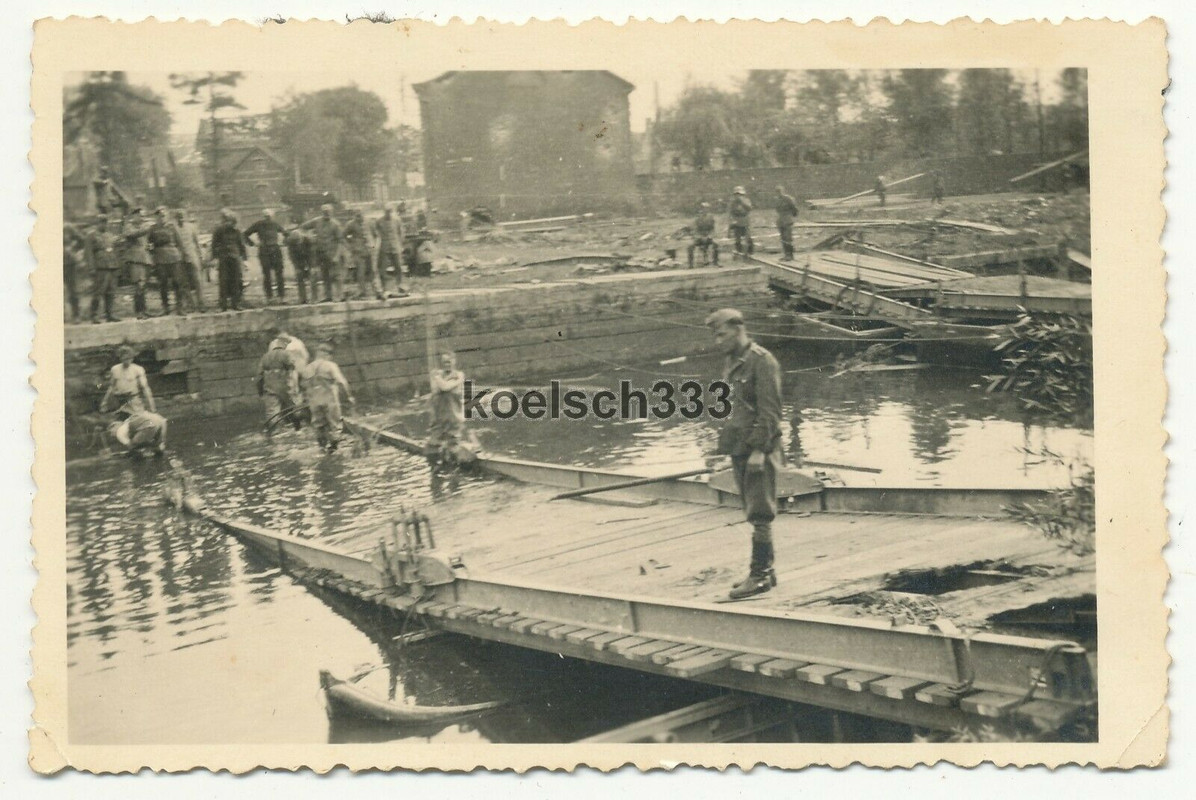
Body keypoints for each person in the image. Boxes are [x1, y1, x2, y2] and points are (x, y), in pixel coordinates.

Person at [705, 308, 784, 599]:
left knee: (760, 511)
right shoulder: (733, 361)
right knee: (752, 509)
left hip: (758, 448)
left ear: (739, 329)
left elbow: (770, 412)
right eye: (715, 336)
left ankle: (759, 576)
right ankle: (767, 572)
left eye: (722, 335)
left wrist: (760, 452)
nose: (718, 341)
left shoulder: (762, 361)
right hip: (740, 445)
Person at [301, 342, 355, 452]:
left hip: (314, 402)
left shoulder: (308, 368)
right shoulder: (330, 365)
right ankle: (333, 450)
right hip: (330, 400)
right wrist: (349, 396)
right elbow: (342, 382)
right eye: (330, 354)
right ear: (326, 354)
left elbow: (304, 386)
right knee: (335, 425)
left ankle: (322, 449)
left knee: (319, 426)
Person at [148, 206, 195, 315]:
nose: (161, 218)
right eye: (159, 216)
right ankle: (165, 308)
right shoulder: (153, 229)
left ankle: (180, 307)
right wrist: (152, 255)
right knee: (163, 284)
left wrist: (184, 256)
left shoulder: (172, 227)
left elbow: (180, 243)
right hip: (160, 259)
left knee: (177, 283)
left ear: (167, 216)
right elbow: (149, 243)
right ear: (156, 217)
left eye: (163, 215)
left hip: (174, 258)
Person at [257, 332, 302, 432]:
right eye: (286, 343)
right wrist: (296, 387)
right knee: (294, 408)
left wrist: (260, 391)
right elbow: (292, 371)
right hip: (286, 387)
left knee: (272, 412)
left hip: (270, 388)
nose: (286, 345)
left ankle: (271, 433)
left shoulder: (265, 356)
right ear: (283, 343)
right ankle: (298, 430)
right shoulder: (287, 354)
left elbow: (259, 376)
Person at [428, 351, 466, 461]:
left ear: (454, 361)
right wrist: (458, 382)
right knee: (433, 450)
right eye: (444, 362)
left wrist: (456, 381)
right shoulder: (437, 374)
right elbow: (444, 387)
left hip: (453, 418)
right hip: (439, 418)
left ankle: (454, 456)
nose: (447, 364)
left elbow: (445, 386)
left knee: (453, 448)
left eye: (449, 362)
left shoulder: (459, 374)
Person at [245, 208, 287, 303]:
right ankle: (270, 297)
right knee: (267, 274)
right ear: (264, 216)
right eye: (266, 216)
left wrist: (283, 242)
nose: (268, 218)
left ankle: (281, 297)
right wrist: (253, 243)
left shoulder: (275, 224)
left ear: (272, 216)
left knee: (279, 274)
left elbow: (286, 234)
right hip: (264, 251)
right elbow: (245, 234)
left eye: (269, 216)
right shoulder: (259, 224)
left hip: (275, 250)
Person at [305, 204, 345, 303]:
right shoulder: (316, 221)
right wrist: (309, 236)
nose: (326, 214)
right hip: (320, 253)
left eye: (328, 212)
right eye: (324, 212)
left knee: (336, 276)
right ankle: (328, 296)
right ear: (322, 212)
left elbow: (340, 241)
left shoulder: (336, 224)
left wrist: (337, 256)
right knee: (325, 275)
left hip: (332, 253)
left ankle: (339, 296)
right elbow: (303, 227)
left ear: (332, 212)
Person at [85, 214, 121, 323]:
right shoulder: (91, 235)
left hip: (111, 266)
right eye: (102, 222)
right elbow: (88, 253)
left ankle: (109, 314)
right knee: (98, 291)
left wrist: (116, 265)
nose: (104, 224)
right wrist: (91, 268)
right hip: (100, 267)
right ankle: (94, 315)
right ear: (97, 223)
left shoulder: (109, 235)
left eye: (105, 222)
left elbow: (114, 250)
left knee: (111, 291)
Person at [101, 345, 156, 416]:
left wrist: (152, 406)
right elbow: (111, 387)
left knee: (137, 418)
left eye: (128, 358)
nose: (126, 361)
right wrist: (105, 402)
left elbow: (145, 388)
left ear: (132, 358)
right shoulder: (115, 369)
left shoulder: (138, 369)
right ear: (120, 358)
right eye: (124, 358)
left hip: (133, 401)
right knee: (119, 419)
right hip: (119, 401)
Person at [211, 208, 247, 311]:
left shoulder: (237, 231)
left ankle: (236, 304)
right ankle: (223, 305)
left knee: (236, 280)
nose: (228, 223)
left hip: (235, 257)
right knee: (223, 281)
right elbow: (214, 244)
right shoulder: (219, 230)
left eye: (230, 221)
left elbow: (241, 244)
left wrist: (244, 259)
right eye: (226, 220)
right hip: (223, 257)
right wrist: (215, 257)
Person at [121, 210, 154, 318]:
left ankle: (144, 310)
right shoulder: (129, 226)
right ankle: (139, 311)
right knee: (138, 285)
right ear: (135, 216)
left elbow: (147, 241)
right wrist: (146, 229)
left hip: (145, 259)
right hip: (135, 259)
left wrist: (149, 246)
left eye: (144, 216)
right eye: (140, 216)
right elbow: (131, 234)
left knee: (143, 285)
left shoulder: (143, 227)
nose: (143, 218)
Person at [173, 209, 207, 311]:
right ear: (176, 218)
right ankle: (190, 305)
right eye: (179, 217)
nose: (181, 219)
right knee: (184, 282)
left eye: (183, 216)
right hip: (180, 258)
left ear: (186, 217)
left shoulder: (192, 227)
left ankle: (201, 304)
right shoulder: (174, 229)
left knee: (198, 280)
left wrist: (200, 256)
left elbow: (196, 243)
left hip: (193, 256)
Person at [344, 210, 382, 300]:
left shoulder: (370, 222)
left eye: (360, 216)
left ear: (363, 215)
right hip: (358, 251)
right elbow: (343, 236)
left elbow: (377, 236)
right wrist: (350, 246)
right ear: (354, 216)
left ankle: (377, 291)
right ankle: (361, 291)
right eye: (357, 216)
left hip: (370, 250)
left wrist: (376, 246)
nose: (359, 218)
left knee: (373, 271)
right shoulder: (350, 224)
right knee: (360, 272)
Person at [372, 203, 406, 296]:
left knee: (398, 267)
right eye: (387, 212)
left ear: (392, 211)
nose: (388, 213)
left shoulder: (397, 220)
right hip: (384, 247)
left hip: (395, 246)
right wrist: (377, 241)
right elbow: (375, 232)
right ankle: (384, 288)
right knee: (382, 269)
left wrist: (400, 243)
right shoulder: (379, 221)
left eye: (390, 211)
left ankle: (400, 285)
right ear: (384, 212)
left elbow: (401, 232)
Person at [285, 223, 315, 305]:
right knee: (299, 277)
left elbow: (312, 255)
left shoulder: (308, 241)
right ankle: (302, 298)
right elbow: (292, 256)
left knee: (313, 276)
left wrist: (311, 266)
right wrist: (297, 267)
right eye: (296, 243)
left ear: (301, 238)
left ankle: (314, 298)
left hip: (308, 258)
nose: (298, 244)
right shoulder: (291, 242)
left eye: (299, 242)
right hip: (299, 260)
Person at [63, 223, 85, 323]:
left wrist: (73, 248)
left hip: (68, 263)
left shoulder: (67, 228)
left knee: (72, 289)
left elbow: (82, 240)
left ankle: (76, 315)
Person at [687, 202, 719, 268]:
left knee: (716, 245)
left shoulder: (711, 218)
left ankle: (715, 263)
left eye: (706, 208)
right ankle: (690, 264)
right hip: (699, 238)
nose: (705, 210)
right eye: (703, 208)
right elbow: (694, 230)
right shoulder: (697, 218)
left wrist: (709, 236)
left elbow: (712, 229)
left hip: (708, 237)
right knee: (690, 247)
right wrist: (700, 237)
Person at [775, 185, 799, 261]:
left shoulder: (788, 199)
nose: (779, 193)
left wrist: (791, 216)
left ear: (783, 191)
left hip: (788, 220)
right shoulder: (777, 200)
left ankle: (790, 255)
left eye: (780, 191)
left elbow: (795, 209)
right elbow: (777, 210)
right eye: (777, 191)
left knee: (788, 238)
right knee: (783, 238)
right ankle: (786, 254)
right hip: (781, 221)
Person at [728, 186, 753, 259]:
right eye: (736, 194)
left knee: (748, 237)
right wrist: (731, 222)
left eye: (739, 194)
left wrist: (742, 202)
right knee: (737, 237)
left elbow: (749, 208)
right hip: (737, 220)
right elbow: (730, 212)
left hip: (745, 219)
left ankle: (750, 252)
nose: (738, 196)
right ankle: (739, 251)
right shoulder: (733, 202)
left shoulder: (746, 200)